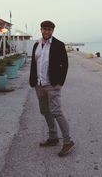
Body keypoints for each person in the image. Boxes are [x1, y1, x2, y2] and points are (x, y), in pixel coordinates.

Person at [29, 20, 75, 157]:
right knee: (45, 111)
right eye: (44, 29)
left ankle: (68, 141)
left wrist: (60, 82)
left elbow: (65, 65)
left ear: (52, 31)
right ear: (41, 30)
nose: (46, 31)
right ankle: (53, 137)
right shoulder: (36, 45)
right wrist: (32, 81)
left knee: (56, 112)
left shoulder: (58, 45)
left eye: (49, 29)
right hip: (39, 84)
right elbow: (34, 63)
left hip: (52, 84)